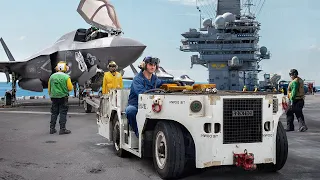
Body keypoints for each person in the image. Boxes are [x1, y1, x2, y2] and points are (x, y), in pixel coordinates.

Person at [125, 56, 177, 137]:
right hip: (137, 104)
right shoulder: (137, 79)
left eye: (154, 65)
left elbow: (162, 83)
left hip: (151, 103)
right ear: (144, 65)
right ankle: (137, 133)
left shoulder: (154, 79)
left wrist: (175, 83)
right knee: (130, 111)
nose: (153, 67)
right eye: (150, 64)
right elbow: (141, 93)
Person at [48, 61, 73, 135]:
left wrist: (51, 94)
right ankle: (62, 129)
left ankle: (52, 129)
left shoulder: (52, 76)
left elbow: (49, 88)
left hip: (54, 97)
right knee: (63, 113)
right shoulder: (66, 77)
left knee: (54, 113)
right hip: (63, 97)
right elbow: (70, 88)